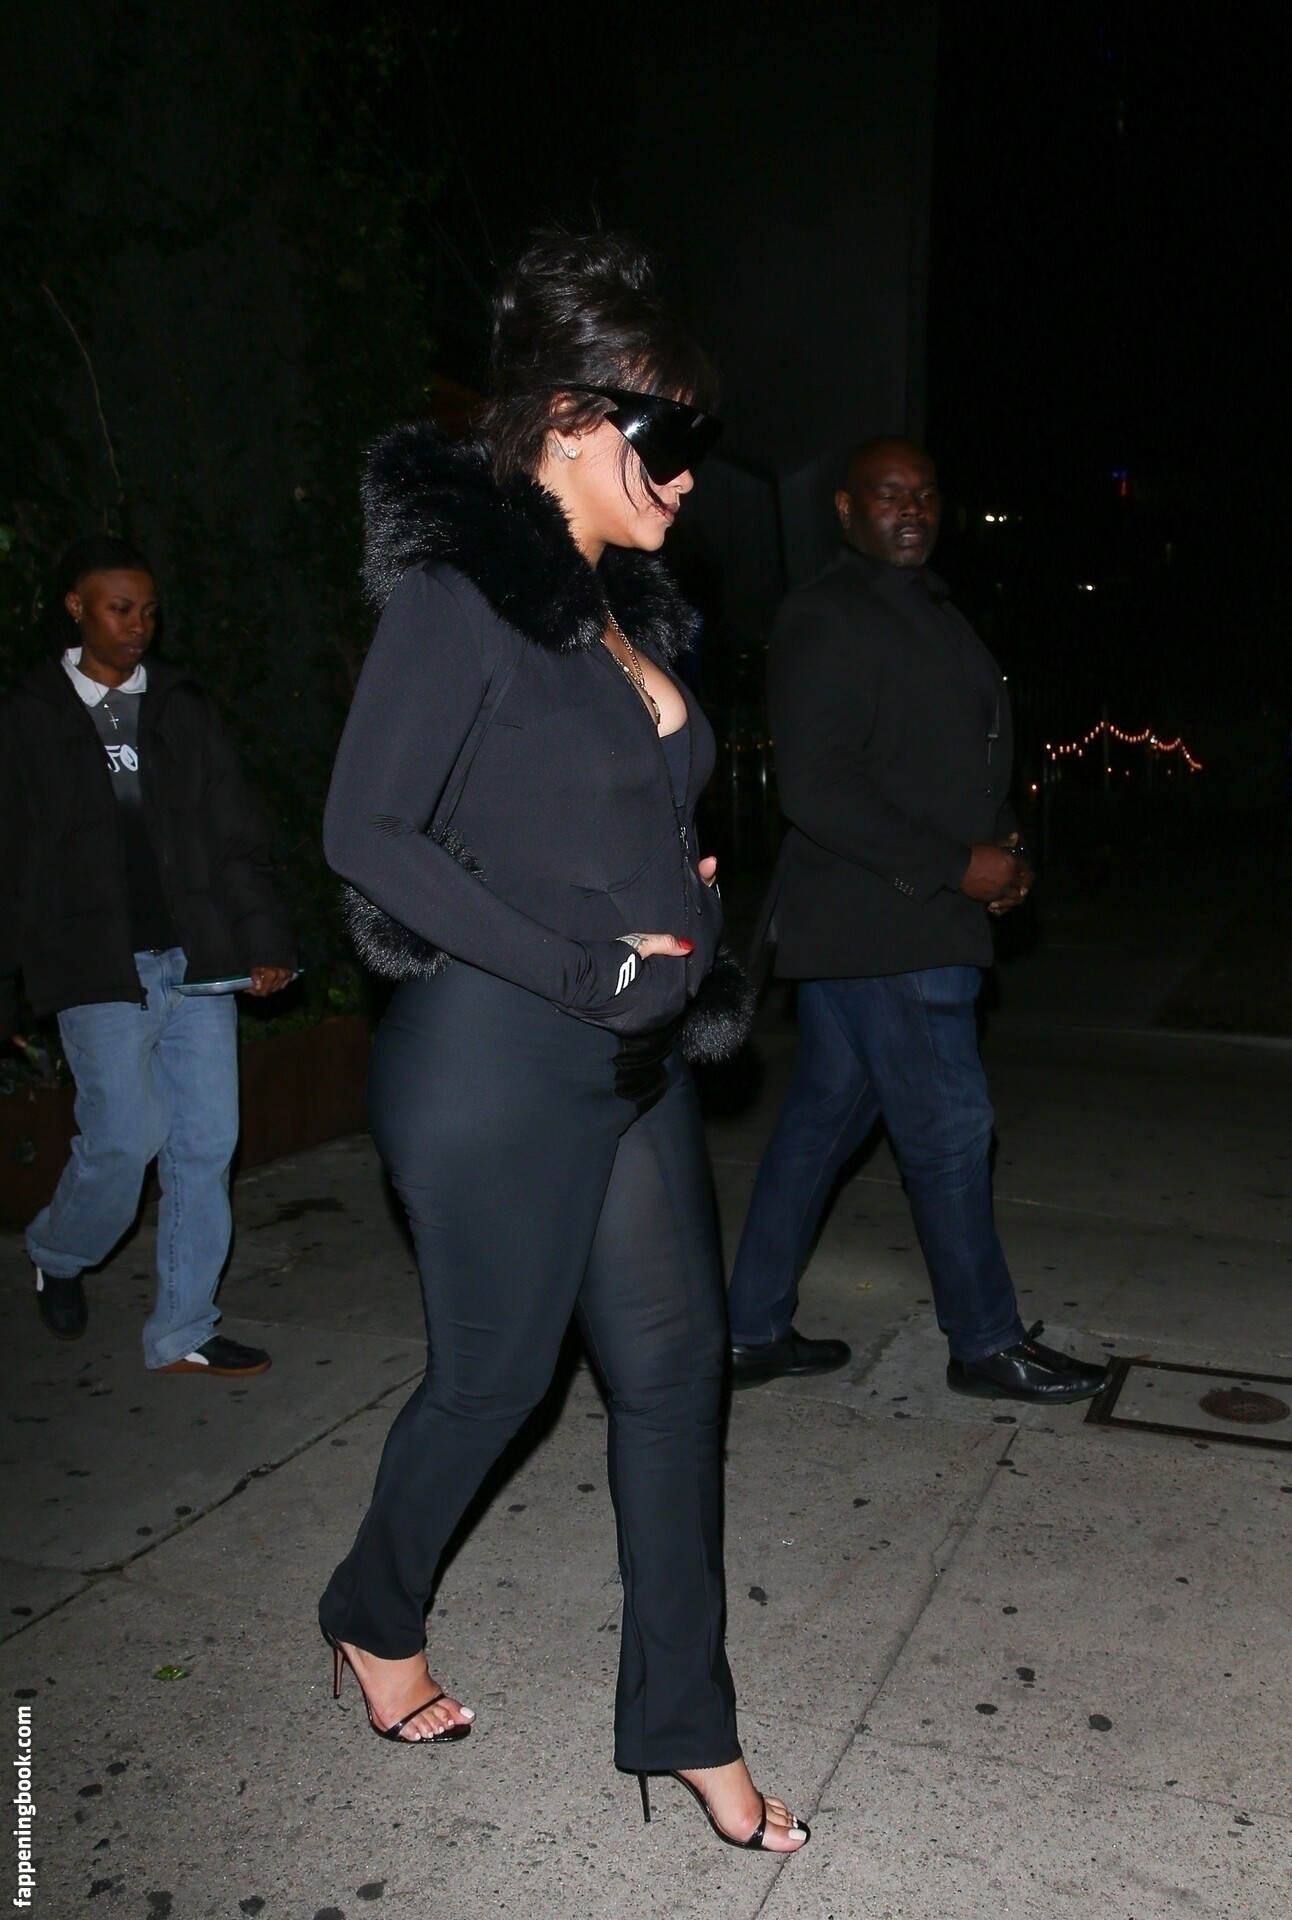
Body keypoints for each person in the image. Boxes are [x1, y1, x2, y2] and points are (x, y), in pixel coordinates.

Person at [316, 232, 808, 1856]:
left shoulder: (612, 615)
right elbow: (367, 830)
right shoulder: (461, 598)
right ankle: (371, 1614)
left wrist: (680, 904)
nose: (690, 475)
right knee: (495, 1381)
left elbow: (592, 818)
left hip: (630, 1057)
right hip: (494, 1058)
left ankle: (688, 1729)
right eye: (672, 438)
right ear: (576, 422)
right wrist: (585, 960)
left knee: (674, 1382)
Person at [727, 439, 1108, 1404]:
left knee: (819, 1127)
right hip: (886, 923)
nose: (913, 509)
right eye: (890, 494)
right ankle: (985, 1344)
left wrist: (1003, 847)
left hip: (894, 924)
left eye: (927, 494)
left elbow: (945, 763)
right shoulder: (826, 613)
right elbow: (817, 786)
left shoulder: (930, 610)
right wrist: (954, 866)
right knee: (949, 1130)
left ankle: (749, 1328)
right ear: (846, 509)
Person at [0, 535, 297, 1375]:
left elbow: (235, 830)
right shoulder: (31, 715)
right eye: (120, 609)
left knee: (206, 1146)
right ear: (77, 607)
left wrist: (265, 939)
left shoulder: (179, 706)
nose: (138, 625)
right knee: (125, 1137)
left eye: (149, 611)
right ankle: (60, 1251)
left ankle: (183, 1329)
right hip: (96, 961)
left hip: (197, 959)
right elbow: (13, 856)